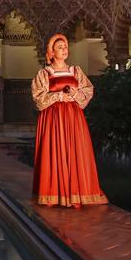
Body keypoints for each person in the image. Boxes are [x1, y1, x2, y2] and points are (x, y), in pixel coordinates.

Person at [31, 33, 107, 208]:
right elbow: (38, 97)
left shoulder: (76, 71)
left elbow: (88, 90)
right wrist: (58, 96)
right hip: (53, 118)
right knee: (55, 150)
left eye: (65, 47)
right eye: (60, 47)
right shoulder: (45, 73)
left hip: (73, 117)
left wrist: (74, 94)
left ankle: (76, 194)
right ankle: (55, 194)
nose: (64, 50)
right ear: (52, 52)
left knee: (75, 151)